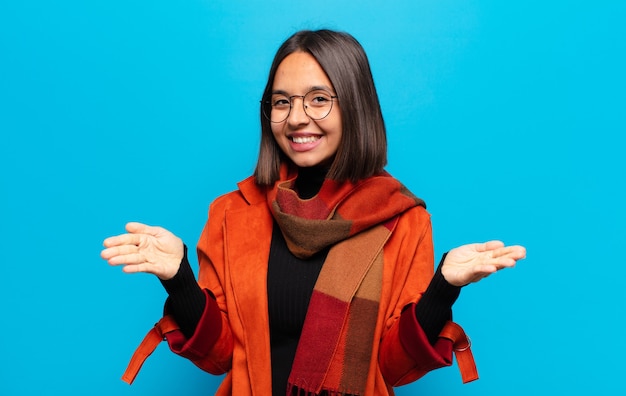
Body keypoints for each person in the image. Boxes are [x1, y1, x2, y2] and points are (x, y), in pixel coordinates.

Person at [101, 29, 526, 396]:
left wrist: (443, 289)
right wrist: (179, 279)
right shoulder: (233, 214)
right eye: (281, 102)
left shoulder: (402, 219)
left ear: (354, 105)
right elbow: (221, 356)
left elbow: (394, 367)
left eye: (319, 99)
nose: (297, 119)